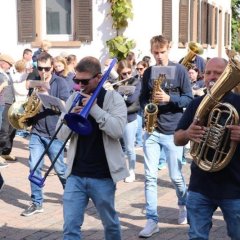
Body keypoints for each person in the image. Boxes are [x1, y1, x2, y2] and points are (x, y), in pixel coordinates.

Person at [56, 56, 128, 239]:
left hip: (103, 175)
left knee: (110, 224)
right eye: (76, 80)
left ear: (98, 77)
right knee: (70, 227)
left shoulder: (114, 99)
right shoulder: (74, 97)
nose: (80, 85)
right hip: (76, 174)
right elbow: (60, 135)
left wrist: (94, 109)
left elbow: (117, 131)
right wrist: (69, 119)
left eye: (84, 81)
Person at [174, 57, 240, 240]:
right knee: (196, 236)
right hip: (200, 185)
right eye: (209, 73)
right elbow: (177, 138)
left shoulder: (239, 103)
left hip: (234, 186)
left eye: (218, 73)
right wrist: (187, 134)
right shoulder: (196, 104)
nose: (212, 77)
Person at [139, 35, 193, 238]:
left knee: (175, 177)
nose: (159, 56)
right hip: (152, 130)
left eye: (162, 52)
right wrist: (147, 108)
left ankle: (183, 204)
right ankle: (152, 220)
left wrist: (170, 98)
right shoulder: (149, 72)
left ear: (168, 50)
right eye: (155, 52)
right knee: (150, 177)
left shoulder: (179, 70)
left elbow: (189, 97)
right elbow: (143, 97)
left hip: (173, 130)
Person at [21, 52, 70, 217]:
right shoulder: (36, 82)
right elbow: (31, 104)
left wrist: (47, 96)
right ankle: (36, 202)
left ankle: (72, 197)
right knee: (34, 167)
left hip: (54, 133)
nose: (43, 72)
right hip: (37, 131)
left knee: (61, 170)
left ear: (52, 67)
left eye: (47, 68)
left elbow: (65, 105)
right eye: (40, 68)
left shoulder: (60, 82)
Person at [116, 60, 141, 182]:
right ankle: (122, 169)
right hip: (117, 119)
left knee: (130, 148)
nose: (126, 76)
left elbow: (132, 99)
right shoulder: (115, 83)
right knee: (119, 148)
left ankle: (132, 171)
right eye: (123, 74)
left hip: (130, 119)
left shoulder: (136, 82)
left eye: (128, 73)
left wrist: (118, 94)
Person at [0, 54, 17, 165]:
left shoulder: (6, 73)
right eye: (9, 64)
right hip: (4, 103)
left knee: (12, 128)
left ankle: (6, 151)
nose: (10, 67)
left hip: (11, 102)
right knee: (4, 130)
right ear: (2, 62)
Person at [135, 60, 149, 148]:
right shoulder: (137, 78)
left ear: (146, 68)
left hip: (147, 103)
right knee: (138, 123)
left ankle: (147, 141)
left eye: (141, 69)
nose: (139, 71)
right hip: (139, 102)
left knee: (147, 123)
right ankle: (139, 141)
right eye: (137, 69)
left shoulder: (149, 77)